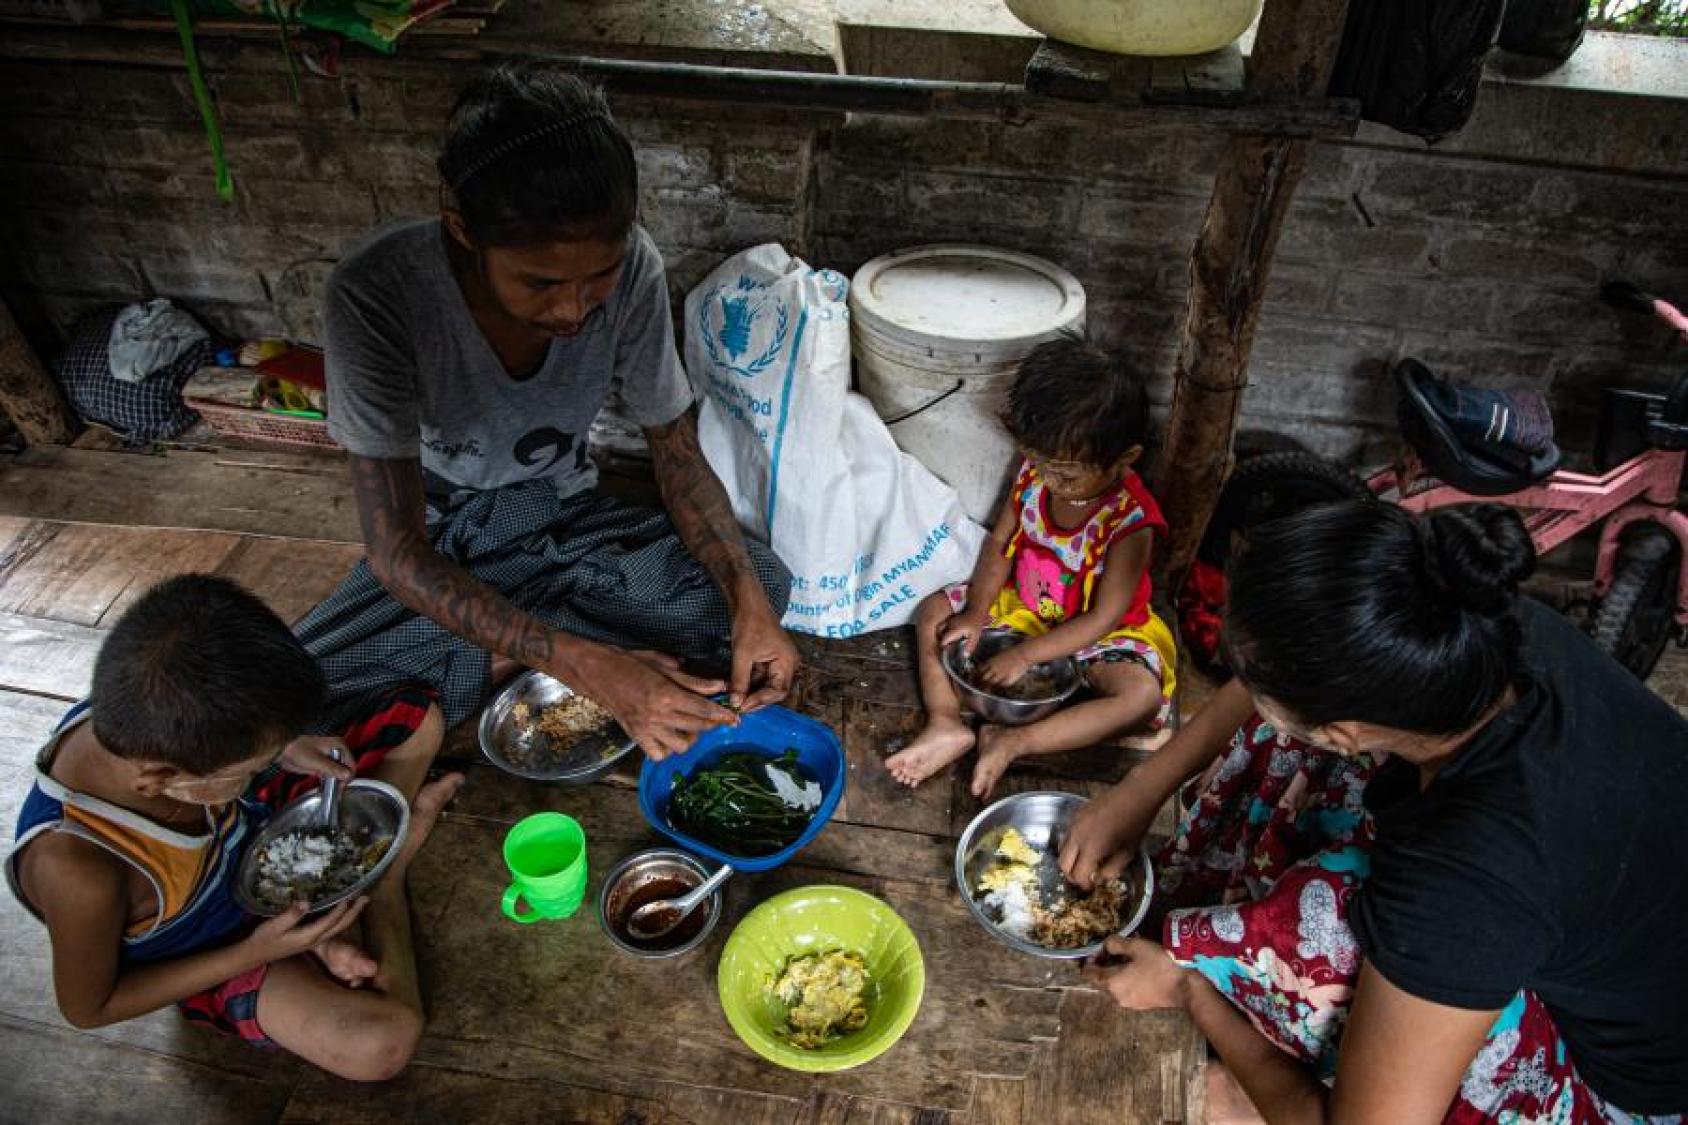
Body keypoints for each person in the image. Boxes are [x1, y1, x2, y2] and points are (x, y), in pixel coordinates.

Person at [1060, 502, 1688, 1123]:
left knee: (1322, 918)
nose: (1244, 682)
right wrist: (1141, 789)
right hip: (1601, 936)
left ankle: (1252, 1090)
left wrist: (1189, 991)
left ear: (1348, 728)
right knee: (1278, 739)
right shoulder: (1467, 622)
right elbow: (1269, 677)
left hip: (1620, 1089)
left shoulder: (1466, 877)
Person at [296, 62, 799, 756]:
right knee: (301, 693)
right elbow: (398, 551)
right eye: (539, 282)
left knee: (765, 585)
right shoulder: (378, 292)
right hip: (450, 539)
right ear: (463, 231)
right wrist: (592, 666)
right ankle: (563, 652)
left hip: (562, 523)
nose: (572, 308)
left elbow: (677, 460)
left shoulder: (639, 269)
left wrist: (746, 597)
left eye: (599, 275)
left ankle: (520, 654)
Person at [5, 575, 462, 1081]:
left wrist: (290, 750)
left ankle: (330, 928)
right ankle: (385, 882)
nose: (259, 768)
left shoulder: (142, 716)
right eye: (248, 766)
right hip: (210, 953)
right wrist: (258, 951)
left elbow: (243, 762)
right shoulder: (80, 871)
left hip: (252, 846)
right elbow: (89, 1008)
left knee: (418, 720)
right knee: (381, 1044)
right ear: (162, 780)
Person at [884, 337, 1177, 798]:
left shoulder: (1130, 524)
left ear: (1125, 460)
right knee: (933, 612)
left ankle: (1015, 739)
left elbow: (1104, 617)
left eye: (1065, 472)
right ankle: (945, 722)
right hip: (1024, 608)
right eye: (1037, 461)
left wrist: (1025, 655)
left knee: (1139, 698)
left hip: (1098, 636)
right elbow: (1000, 543)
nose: (1047, 479)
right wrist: (977, 611)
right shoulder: (1033, 478)